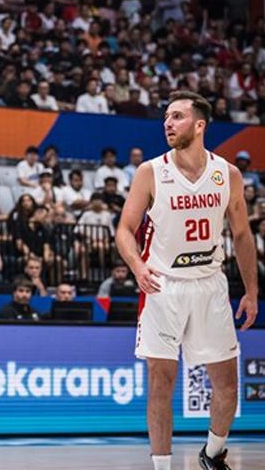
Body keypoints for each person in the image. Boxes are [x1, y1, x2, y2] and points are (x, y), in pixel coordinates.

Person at [114, 91, 257, 470]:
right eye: (166, 118)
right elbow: (125, 230)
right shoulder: (150, 172)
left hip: (210, 285)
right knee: (161, 384)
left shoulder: (227, 174)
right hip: (163, 285)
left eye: (176, 116)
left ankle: (212, 453)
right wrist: (137, 266)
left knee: (227, 387)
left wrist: (252, 292)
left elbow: (242, 235)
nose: (167, 123)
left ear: (199, 125)